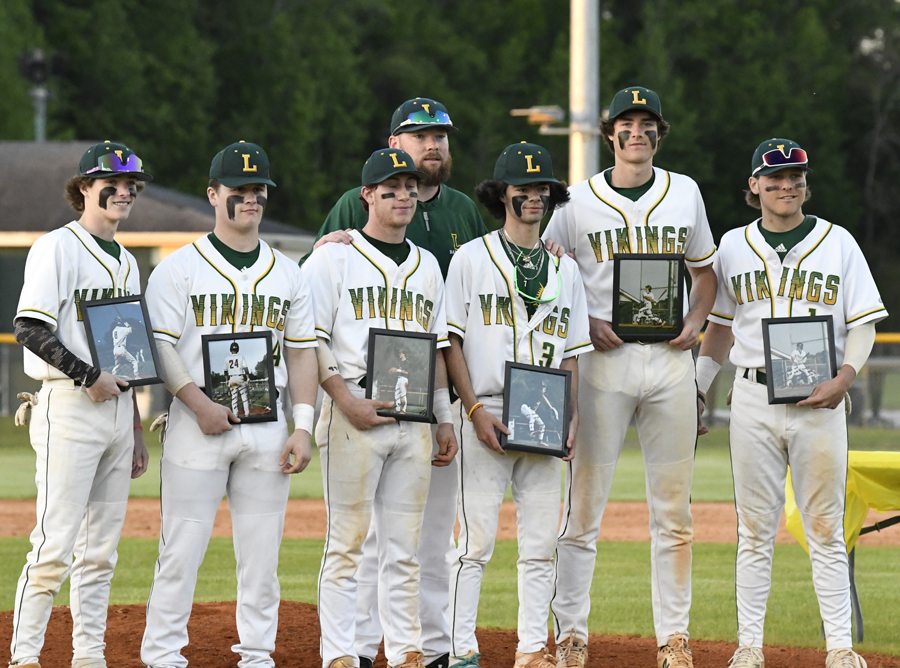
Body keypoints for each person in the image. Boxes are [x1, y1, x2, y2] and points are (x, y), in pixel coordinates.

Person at [306, 98, 487, 668]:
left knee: (407, 547)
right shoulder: (333, 257)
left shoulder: (428, 263)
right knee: (349, 543)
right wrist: (343, 402)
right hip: (355, 404)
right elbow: (308, 337)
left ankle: (409, 650)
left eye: (409, 189)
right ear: (367, 195)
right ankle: (345, 653)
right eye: (390, 189)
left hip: (416, 414)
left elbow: (437, 343)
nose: (403, 196)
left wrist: (444, 415)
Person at [542, 86, 718, 668]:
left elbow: (705, 273)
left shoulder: (684, 191)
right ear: (609, 132)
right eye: (627, 123)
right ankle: (571, 635)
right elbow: (546, 273)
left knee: (674, 515)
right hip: (603, 363)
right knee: (582, 511)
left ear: (659, 133)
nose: (636, 132)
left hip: (669, 362)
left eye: (647, 123)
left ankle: (674, 638)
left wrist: (695, 321)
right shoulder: (576, 201)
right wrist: (584, 321)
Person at [696, 138, 883, 668]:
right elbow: (719, 327)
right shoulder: (732, 245)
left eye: (795, 177)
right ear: (754, 185)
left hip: (820, 399)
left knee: (825, 527)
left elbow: (863, 323)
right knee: (754, 530)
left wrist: (846, 377)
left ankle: (840, 648)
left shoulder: (837, 241)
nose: (786, 186)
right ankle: (749, 647)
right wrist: (698, 387)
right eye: (774, 177)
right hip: (753, 398)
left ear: (805, 184)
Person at [141, 141, 319, 668]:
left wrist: (303, 425)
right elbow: (160, 347)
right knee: (181, 549)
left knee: (262, 559)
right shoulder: (178, 268)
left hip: (266, 426)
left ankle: (257, 655)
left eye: (258, 189)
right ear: (213, 195)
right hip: (197, 425)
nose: (251, 198)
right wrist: (197, 404)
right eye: (239, 190)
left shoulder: (288, 272)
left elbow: (302, 353)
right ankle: (164, 655)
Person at [444, 143, 591, 668]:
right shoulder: (470, 258)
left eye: (542, 188)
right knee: (474, 544)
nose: (534, 196)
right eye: (523, 188)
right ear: (501, 194)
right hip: (486, 408)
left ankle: (531, 650)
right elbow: (451, 342)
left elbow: (572, 352)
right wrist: (472, 411)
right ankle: (461, 650)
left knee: (540, 546)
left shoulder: (565, 270)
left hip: (546, 412)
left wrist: (571, 413)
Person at [10, 141, 151, 668]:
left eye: (131, 184)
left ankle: (89, 657)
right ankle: (25, 658)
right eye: (111, 183)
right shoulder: (57, 247)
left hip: (116, 412)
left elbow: (128, 353)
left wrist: (134, 427)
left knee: (100, 553)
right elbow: (29, 327)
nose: (124, 191)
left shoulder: (127, 261)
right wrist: (87, 375)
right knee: (53, 547)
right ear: (85, 188)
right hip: (69, 406)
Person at [225, 341, 252, 417]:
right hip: (240, 378)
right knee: (244, 397)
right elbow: (245, 368)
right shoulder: (241, 357)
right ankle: (247, 413)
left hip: (232, 378)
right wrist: (248, 378)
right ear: (238, 349)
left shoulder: (227, 359)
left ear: (231, 349)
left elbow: (225, 371)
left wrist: (227, 380)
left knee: (234, 398)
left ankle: (235, 414)